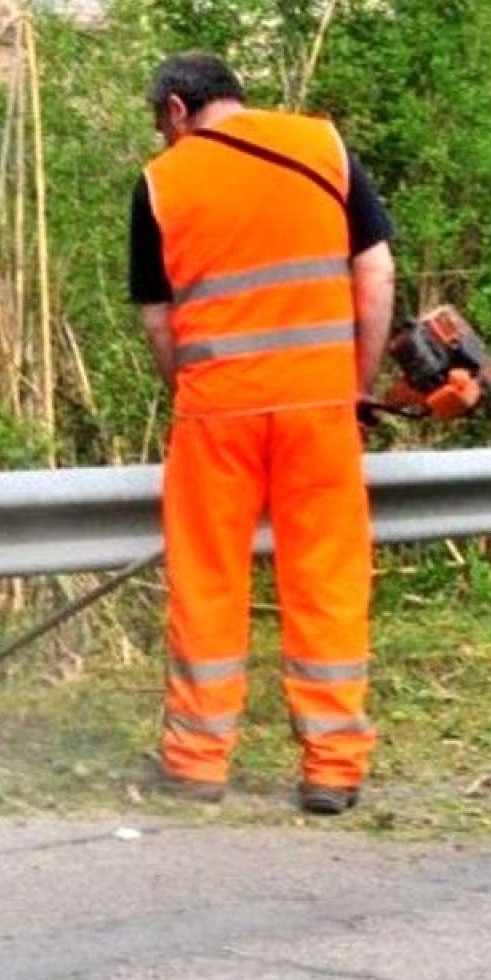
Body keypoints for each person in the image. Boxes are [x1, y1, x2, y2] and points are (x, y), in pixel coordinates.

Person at [128, 52, 396, 815]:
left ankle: (196, 763)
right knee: (327, 579)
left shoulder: (160, 184)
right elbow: (376, 275)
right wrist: (357, 386)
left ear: (177, 111)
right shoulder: (324, 146)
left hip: (217, 414)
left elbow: (158, 320)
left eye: (161, 126)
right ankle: (333, 767)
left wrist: (195, 389)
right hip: (318, 408)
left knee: (209, 580)